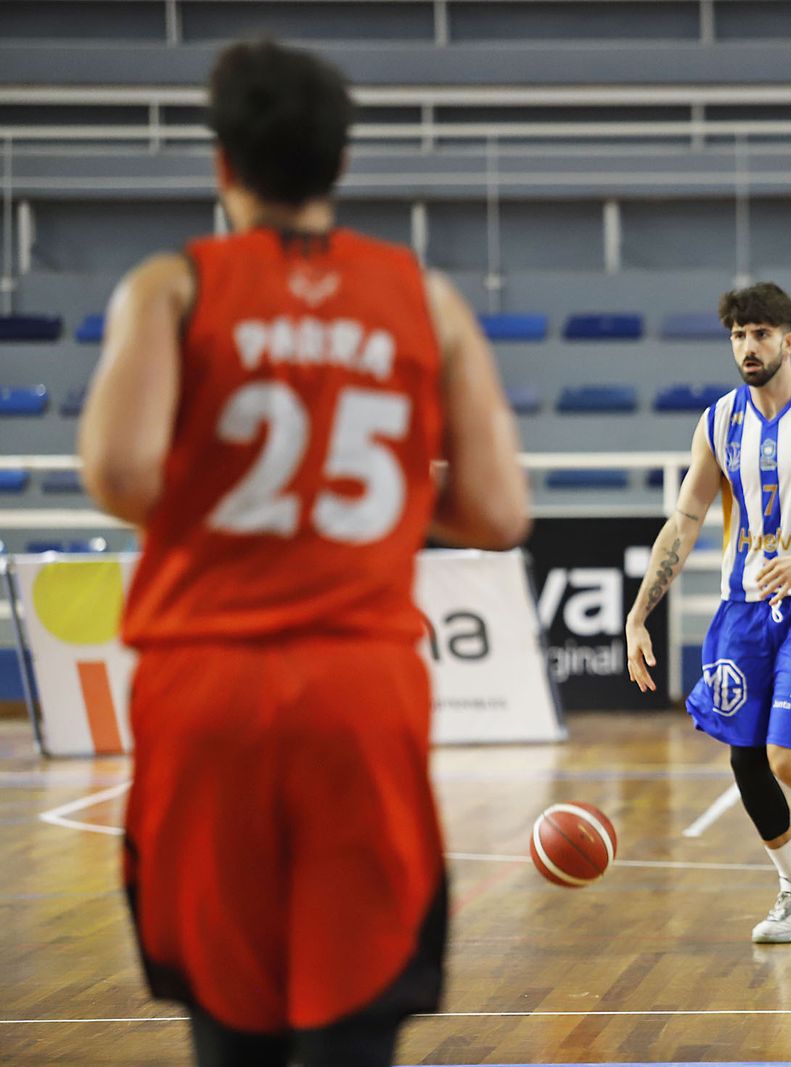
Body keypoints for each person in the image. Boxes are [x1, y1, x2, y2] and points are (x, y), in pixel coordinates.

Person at [78, 39, 528, 1066]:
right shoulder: (428, 298)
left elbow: (120, 473)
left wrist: (243, 509)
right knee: (354, 1006)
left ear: (222, 164)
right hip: (357, 688)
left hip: (205, 687)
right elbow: (498, 512)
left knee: (231, 1017)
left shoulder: (171, 285)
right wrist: (351, 513)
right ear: (341, 162)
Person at [624, 281, 791, 943]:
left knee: (788, 756)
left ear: (788, 340)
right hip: (743, 607)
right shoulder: (719, 421)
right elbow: (685, 520)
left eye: (761, 334)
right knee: (745, 756)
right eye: (739, 335)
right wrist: (638, 613)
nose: (749, 347)